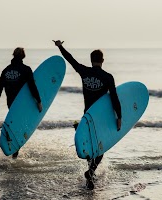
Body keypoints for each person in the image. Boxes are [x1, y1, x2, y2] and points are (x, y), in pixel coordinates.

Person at [53, 40, 122, 190]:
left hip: (87, 117)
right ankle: (90, 172)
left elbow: (70, 59)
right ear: (102, 61)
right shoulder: (108, 77)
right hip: (100, 119)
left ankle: (90, 174)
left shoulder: (84, 71)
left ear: (91, 60)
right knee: (100, 149)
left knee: (91, 146)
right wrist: (119, 117)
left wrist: (60, 46)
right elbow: (114, 98)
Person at [0, 47, 43, 159]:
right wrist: (39, 101)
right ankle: (14, 152)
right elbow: (32, 86)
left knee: (15, 125)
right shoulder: (26, 69)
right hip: (23, 104)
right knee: (19, 126)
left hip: (11, 103)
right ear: (23, 56)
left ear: (13, 55)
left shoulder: (6, 70)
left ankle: (13, 150)